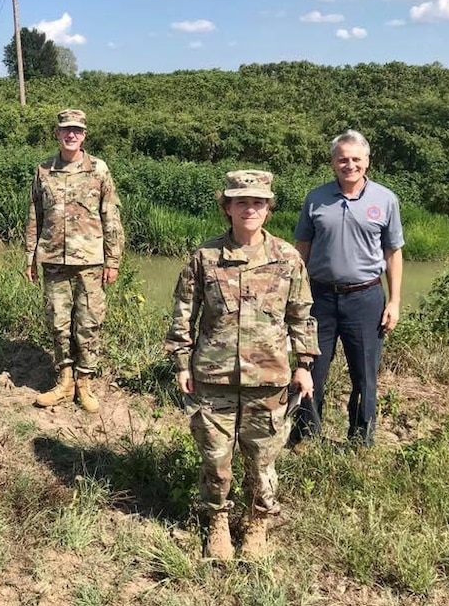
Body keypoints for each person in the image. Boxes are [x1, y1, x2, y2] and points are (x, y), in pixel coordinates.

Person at [165, 170, 319, 561]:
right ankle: (217, 521)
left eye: (258, 202)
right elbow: (184, 314)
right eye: (241, 202)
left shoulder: (287, 258)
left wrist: (304, 365)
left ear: (269, 208)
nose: (250, 209)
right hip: (213, 376)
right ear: (227, 208)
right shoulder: (205, 258)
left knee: (261, 461)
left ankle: (256, 524)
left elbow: (302, 316)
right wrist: (182, 362)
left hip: (268, 379)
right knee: (216, 459)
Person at [291, 129, 404, 448]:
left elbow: (393, 253)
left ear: (367, 161)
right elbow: (302, 248)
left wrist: (394, 301)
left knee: (364, 377)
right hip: (319, 299)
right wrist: (293, 298)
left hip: (366, 298)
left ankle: (360, 441)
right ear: (332, 163)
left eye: (356, 159)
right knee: (311, 370)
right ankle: (305, 438)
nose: (349, 164)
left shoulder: (385, 199)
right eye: (342, 159)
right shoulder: (316, 198)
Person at [25, 109, 124, 413]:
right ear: (57, 133)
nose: (71, 135)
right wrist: (29, 256)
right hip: (53, 260)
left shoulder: (99, 170)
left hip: (90, 262)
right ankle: (64, 380)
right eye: (66, 129)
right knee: (58, 322)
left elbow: (111, 214)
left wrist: (113, 259)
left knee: (89, 322)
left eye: (77, 130)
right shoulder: (44, 170)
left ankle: (85, 382)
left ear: (84, 135)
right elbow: (34, 215)